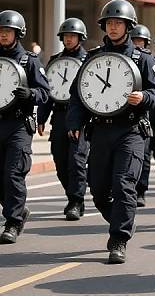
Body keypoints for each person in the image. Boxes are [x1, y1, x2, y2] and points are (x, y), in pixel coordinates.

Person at [66, 0, 155, 264]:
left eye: (119, 23)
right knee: (97, 188)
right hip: (100, 131)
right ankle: (123, 216)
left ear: (128, 26)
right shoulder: (94, 57)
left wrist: (143, 97)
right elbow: (78, 94)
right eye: (109, 23)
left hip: (131, 132)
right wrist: (74, 123)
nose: (114, 27)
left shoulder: (143, 59)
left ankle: (119, 238)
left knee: (123, 184)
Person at [0, 10, 50, 244]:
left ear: (18, 34)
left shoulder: (29, 61)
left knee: (13, 174)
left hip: (18, 125)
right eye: (0, 31)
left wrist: (31, 94)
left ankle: (12, 222)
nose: (3, 35)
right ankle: (18, 210)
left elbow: (45, 93)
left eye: (7, 32)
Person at [37, 18, 89, 220]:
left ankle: (76, 201)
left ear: (80, 38)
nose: (68, 39)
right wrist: (41, 117)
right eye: (65, 36)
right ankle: (72, 195)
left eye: (72, 36)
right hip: (59, 116)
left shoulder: (88, 60)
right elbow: (47, 91)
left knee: (76, 160)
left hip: (80, 116)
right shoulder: (54, 60)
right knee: (60, 160)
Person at [130, 25, 155, 207]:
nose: (137, 43)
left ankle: (141, 190)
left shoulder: (147, 60)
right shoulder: (100, 56)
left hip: (138, 121)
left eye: (141, 41)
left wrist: (144, 97)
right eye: (134, 40)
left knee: (144, 157)